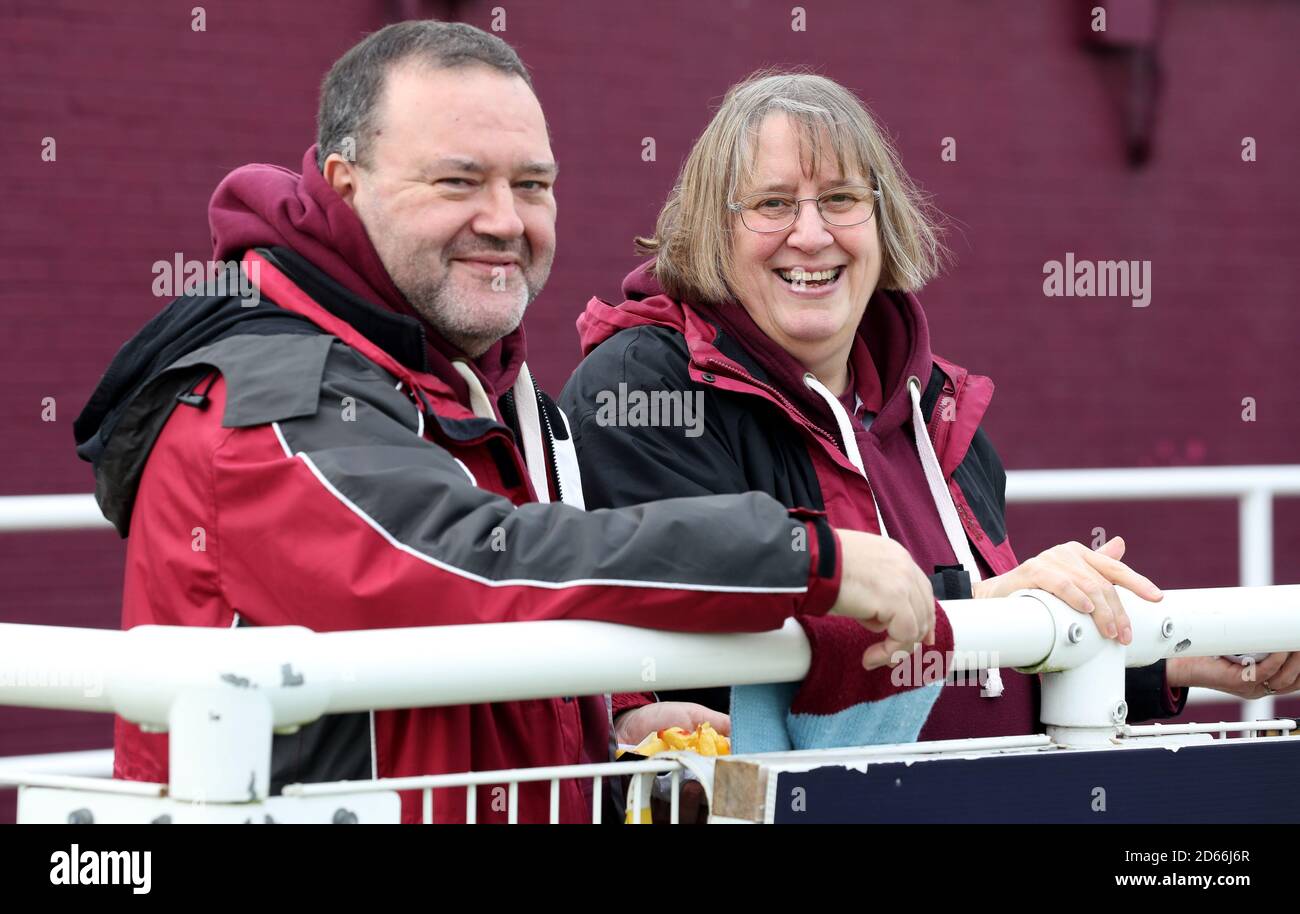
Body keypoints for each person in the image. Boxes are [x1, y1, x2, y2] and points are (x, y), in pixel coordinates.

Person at [72, 24, 940, 824]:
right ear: (346, 185)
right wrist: (802, 556)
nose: (503, 219)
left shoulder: (490, 390)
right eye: (458, 181)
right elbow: (465, 564)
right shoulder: (266, 403)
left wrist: (609, 715)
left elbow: (502, 632)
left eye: (531, 184)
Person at [559, 70, 1297, 744]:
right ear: (713, 229)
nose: (810, 235)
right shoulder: (642, 386)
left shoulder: (938, 409)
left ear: (882, 225)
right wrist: (976, 602)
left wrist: (1167, 653)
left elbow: (982, 683)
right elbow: (720, 610)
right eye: (772, 203)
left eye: (841, 200)